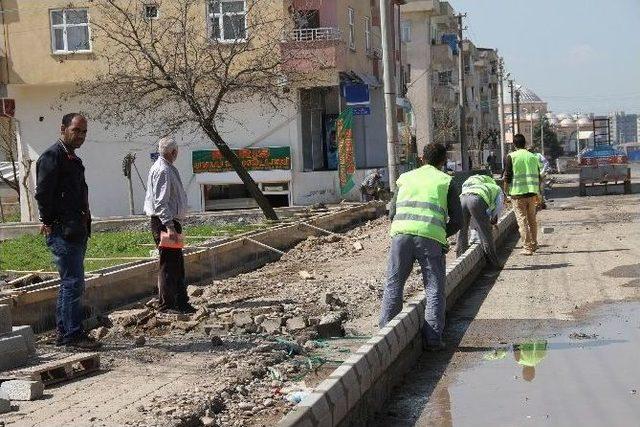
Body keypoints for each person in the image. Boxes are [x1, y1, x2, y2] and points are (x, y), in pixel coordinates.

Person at [380, 143, 462, 351]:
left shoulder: (405, 178)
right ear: (443, 161)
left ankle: (384, 337)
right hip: (431, 237)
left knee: (394, 283)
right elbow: (458, 220)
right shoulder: (446, 181)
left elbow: (391, 213)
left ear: (422, 158)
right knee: (434, 287)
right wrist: (441, 236)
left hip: (401, 235)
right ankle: (433, 340)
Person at [35, 113, 100, 349]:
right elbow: (43, 193)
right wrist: (48, 221)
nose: (80, 135)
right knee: (72, 283)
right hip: (64, 230)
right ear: (63, 128)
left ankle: (66, 332)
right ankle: (72, 334)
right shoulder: (53, 156)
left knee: (70, 283)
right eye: (76, 130)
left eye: (84, 132)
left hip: (76, 229)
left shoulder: (71, 157)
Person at [144, 137, 195, 314]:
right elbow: (160, 203)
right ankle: (167, 304)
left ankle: (181, 302)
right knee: (169, 264)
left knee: (177, 263)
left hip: (170, 222)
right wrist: (170, 227)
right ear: (173, 152)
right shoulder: (162, 170)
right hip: (165, 223)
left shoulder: (166, 168)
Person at [504, 134, 541, 256]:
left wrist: (506, 192)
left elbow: (507, 176)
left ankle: (527, 247)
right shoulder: (533, 157)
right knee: (532, 220)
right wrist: (538, 193)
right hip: (532, 193)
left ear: (514, 145)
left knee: (522, 220)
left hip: (517, 194)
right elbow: (539, 176)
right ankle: (534, 243)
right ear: (524, 143)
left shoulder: (511, 156)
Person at [456, 174, 504, 269]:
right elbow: (498, 206)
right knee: (485, 233)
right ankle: (494, 263)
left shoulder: (485, 186)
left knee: (462, 230)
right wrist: (493, 218)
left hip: (462, 198)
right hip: (475, 200)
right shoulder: (498, 190)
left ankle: (460, 260)